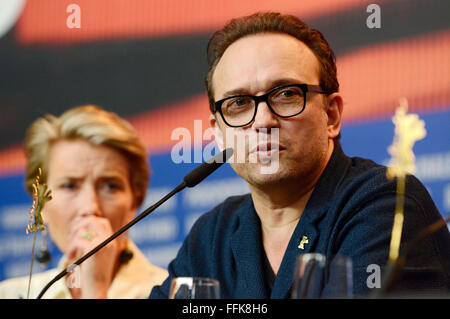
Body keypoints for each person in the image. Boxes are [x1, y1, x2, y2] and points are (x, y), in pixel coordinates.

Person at [150, 12, 450, 298]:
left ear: (330, 115)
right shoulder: (212, 235)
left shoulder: (384, 203)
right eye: (238, 102)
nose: (263, 121)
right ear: (218, 133)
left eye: (286, 94)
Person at [0, 105, 168, 298]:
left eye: (110, 186)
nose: (90, 207)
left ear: (134, 202)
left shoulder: (175, 293)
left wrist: (95, 289)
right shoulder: (9, 294)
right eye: (70, 186)